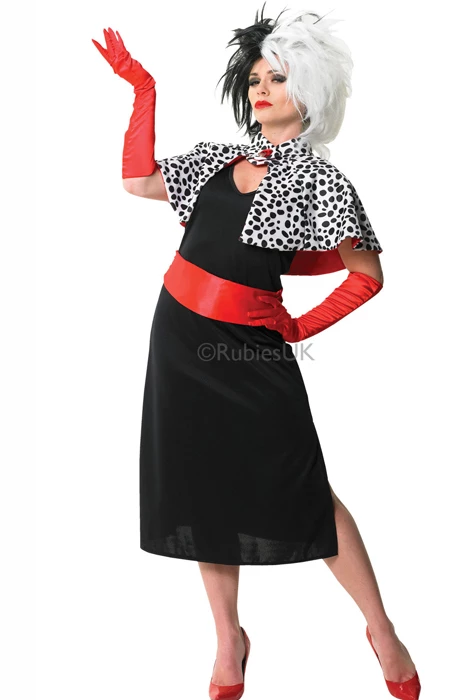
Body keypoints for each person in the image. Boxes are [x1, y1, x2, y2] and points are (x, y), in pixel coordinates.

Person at [92, 6, 421, 700]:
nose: (262, 89)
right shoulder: (218, 159)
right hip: (179, 338)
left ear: (311, 89)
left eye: (279, 77)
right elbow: (138, 181)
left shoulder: (321, 181)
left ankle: (381, 628)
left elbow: (366, 274)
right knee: (200, 485)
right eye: (255, 79)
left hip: (249, 352)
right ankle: (228, 640)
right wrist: (144, 91)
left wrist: (298, 327)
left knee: (304, 486)